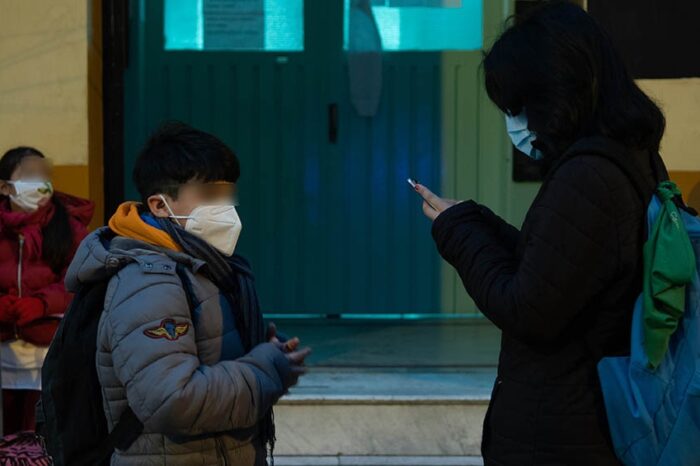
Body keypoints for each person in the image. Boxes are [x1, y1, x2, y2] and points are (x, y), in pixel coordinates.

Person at [414, 3, 668, 465]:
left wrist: (457, 234)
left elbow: (528, 308)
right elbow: (561, 268)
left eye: (518, 105)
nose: (515, 120)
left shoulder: (588, 177)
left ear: (555, 92)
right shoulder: (628, 156)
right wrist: (471, 219)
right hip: (584, 423)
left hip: (562, 433)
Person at [64, 122, 309, 465]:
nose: (226, 209)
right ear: (160, 205)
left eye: (228, 195)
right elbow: (173, 401)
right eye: (210, 196)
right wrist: (264, 369)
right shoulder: (150, 281)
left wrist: (265, 350)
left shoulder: (200, 266)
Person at [0, 147, 94, 434]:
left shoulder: (72, 228)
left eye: (45, 174)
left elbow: (82, 280)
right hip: (4, 356)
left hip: (49, 356)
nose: (41, 182)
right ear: (4, 187)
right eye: (30, 175)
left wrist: (41, 303)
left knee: (40, 443)